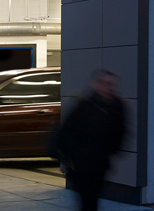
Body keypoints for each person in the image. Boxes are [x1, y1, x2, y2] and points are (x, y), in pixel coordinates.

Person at [52, 70, 126, 211]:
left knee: (92, 199)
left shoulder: (117, 106)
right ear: (97, 85)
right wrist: (75, 157)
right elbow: (66, 133)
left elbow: (121, 131)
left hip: (101, 163)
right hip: (82, 165)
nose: (110, 88)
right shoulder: (84, 105)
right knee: (88, 200)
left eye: (112, 84)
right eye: (106, 84)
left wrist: (111, 151)